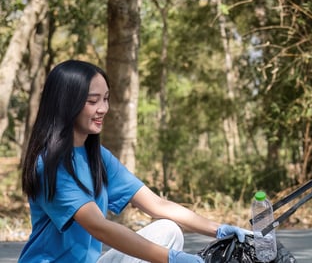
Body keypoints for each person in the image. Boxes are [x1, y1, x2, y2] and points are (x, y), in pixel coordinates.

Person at [19, 60, 249, 263]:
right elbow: (99, 227)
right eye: (93, 101)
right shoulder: (49, 164)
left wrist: (220, 230)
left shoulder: (98, 157)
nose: (103, 109)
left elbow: (158, 206)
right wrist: (171, 259)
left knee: (167, 230)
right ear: (66, 104)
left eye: (106, 99)